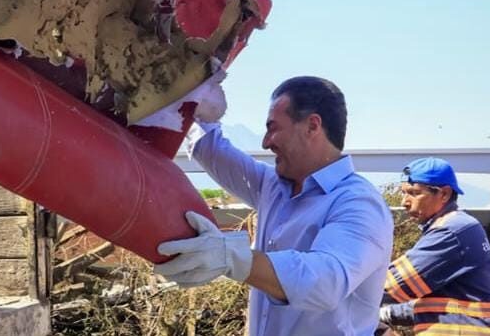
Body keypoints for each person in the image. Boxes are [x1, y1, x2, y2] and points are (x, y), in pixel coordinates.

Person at [154, 76, 393, 336]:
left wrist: (232, 257)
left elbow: (325, 282)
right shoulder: (274, 187)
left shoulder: (359, 203)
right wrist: (193, 103)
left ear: (312, 126)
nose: (265, 142)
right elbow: (213, 151)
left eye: (273, 128)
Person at [378, 157, 490, 334]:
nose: (404, 202)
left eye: (413, 193)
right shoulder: (458, 227)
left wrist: (340, 292)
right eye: (403, 193)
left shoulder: (452, 231)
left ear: (444, 194)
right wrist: (387, 313)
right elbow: (436, 305)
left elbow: (391, 285)